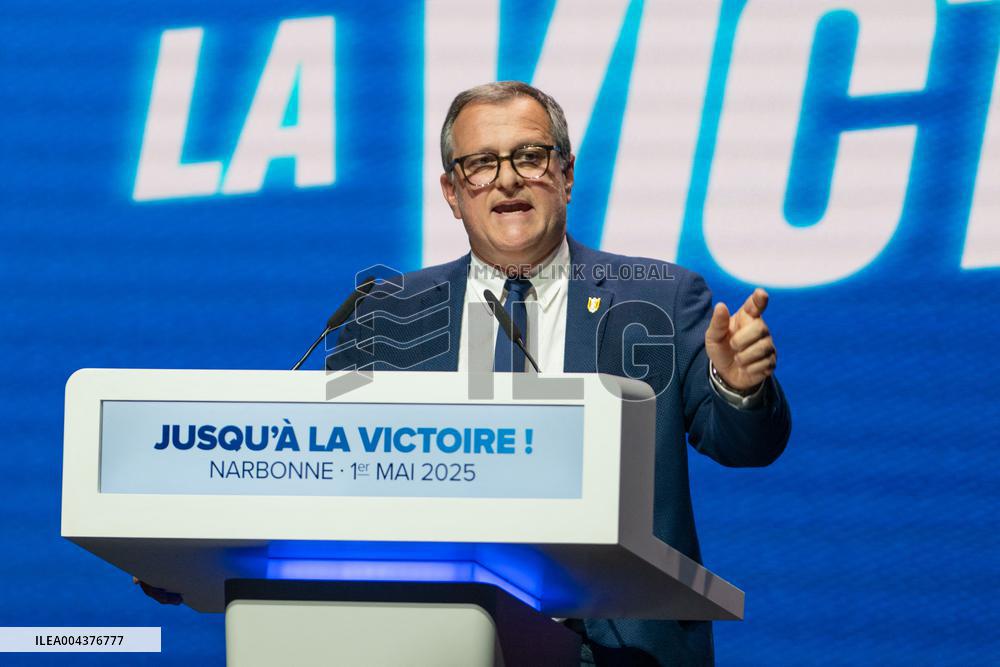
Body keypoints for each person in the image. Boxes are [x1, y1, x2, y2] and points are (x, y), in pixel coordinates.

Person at [329, 81, 791, 666]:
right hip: (429, 642)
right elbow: (324, 474)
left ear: (566, 175)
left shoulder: (662, 300)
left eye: (529, 156)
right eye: (480, 165)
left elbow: (746, 445)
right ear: (451, 192)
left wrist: (740, 385)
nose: (507, 180)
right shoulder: (390, 314)